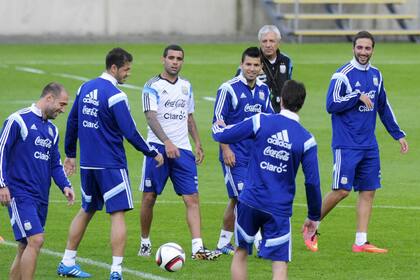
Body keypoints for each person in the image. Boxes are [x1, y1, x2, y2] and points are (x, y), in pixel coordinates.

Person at [56, 48, 163, 280]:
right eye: (126, 69)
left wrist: (71, 154)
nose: (128, 74)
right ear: (114, 68)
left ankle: (67, 261)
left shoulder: (84, 88)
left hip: (88, 165)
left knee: (87, 209)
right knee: (117, 214)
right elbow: (130, 131)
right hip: (111, 165)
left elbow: (72, 121)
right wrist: (151, 152)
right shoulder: (116, 95)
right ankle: (116, 271)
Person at [303, 31, 409, 253]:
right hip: (346, 143)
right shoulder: (342, 75)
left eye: (367, 48)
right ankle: (311, 225)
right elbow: (331, 104)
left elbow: (383, 106)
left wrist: (397, 134)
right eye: (359, 48)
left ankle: (361, 242)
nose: (363, 52)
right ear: (353, 48)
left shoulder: (376, 75)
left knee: (368, 190)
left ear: (373, 50)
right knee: (342, 190)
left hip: (369, 145)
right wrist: (356, 96)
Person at [212, 80, 322, 280]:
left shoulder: (261, 120)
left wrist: (218, 128)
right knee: (279, 264)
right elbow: (312, 182)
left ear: (280, 101)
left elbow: (224, 134)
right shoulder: (307, 139)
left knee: (241, 252)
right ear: (302, 103)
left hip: (250, 200)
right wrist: (314, 216)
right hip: (278, 209)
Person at [138, 44, 219, 260]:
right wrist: (166, 142)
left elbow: (189, 117)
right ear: (163, 59)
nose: (175, 62)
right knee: (149, 197)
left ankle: (197, 248)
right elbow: (150, 117)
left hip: (183, 150)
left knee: (192, 198)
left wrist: (198, 143)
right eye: (171, 58)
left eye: (179, 58)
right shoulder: (151, 86)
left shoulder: (186, 86)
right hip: (157, 148)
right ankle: (145, 242)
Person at [0, 82, 75, 280]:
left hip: (41, 196)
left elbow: (55, 164)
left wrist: (65, 185)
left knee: (25, 245)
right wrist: (2, 184)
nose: (62, 109)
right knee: (36, 240)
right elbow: (1, 153)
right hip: (19, 193)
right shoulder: (18, 120)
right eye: (62, 104)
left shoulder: (52, 130)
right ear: (49, 98)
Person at [213, 47, 273, 256]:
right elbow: (217, 124)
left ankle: (222, 243)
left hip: (255, 158)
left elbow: (269, 122)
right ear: (241, 65)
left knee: (236, 199)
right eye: (248, 64)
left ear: (261, 67)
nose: (252, 69)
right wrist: (226, 148)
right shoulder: (227, 89)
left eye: (256, 65)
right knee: (245, 198)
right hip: (234, 156)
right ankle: (257, 243)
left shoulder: (264, 91)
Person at [258, 25, 293, 113]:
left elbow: (288, 84)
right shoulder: (252, 60)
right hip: (258, 111)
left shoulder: (286, 61)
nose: (268, 45)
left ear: (278, 42)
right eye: (264, 41)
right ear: (260, 43)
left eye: (272, 41)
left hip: (280, 110)